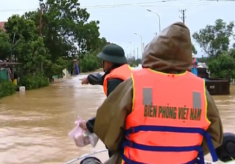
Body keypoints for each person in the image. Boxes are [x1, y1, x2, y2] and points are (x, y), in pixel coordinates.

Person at [90, 22, 223, 164]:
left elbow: (107, 131)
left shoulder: (134, 83)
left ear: (152, 50)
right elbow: (215, 137)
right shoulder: (200, 89)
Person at [80, 43, 133, 157]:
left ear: (109, 62)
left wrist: (90, 125)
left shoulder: (114, 81)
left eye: (103, 61)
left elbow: (112, 112)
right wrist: (89, 78)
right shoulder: (127, 72)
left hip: (124, 130)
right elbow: (102, 78)